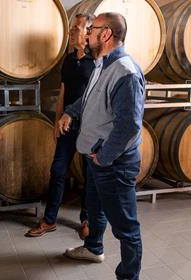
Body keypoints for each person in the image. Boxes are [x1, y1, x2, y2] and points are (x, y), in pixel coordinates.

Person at [59, 12, 144, 280]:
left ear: (105, 34)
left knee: (126, 228)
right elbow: (88, 99)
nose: (86, 34)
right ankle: (94, 248)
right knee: (94, 210)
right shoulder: (101, 63)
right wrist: (69, 112)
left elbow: (129, 126)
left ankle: (128, 277)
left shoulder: (126, 72)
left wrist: (103, 158)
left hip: (113, 164)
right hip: (96, 158)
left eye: (91, 29)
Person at [26, 13, 96, 239]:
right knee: (57, 171)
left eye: (76, 28)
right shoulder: (68, 59)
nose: (71, 32)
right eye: (72, 28)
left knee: (89, 175)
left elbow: (93, 96)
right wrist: (58, 121)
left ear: (88, 32)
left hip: (89, 127)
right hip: (67, 125)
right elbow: (63, 93)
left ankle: (87, 219)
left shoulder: (96, 61)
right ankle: (49, 220)